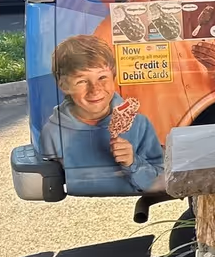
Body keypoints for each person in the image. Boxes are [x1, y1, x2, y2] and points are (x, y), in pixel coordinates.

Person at [40, 33, 165, 196]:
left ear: (113, 77)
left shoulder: (139, 125)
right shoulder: (53, 132)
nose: (95, 89)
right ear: (64, 85)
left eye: (102, 77)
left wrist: (133, 162)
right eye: (82, 81)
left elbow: (159, 180)